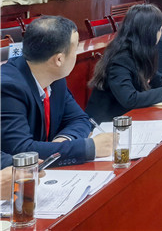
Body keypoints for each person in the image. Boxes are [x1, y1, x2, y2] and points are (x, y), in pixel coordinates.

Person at [0, 16, 113, 166]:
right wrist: (88, 148)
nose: (76, 53)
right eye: (75, 48)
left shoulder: (55, 78)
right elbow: (21, 151)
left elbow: (80, 119)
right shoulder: (8, 88)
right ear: (59, 59)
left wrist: (64, 141)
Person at [85, 5, 162, 123]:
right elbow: (130, 99)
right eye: (160, 30)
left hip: (127, 118)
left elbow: (153, 76)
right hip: (105, 124)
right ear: (149, 32)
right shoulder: (119, 58)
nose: (161, 34)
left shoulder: (139, 51)